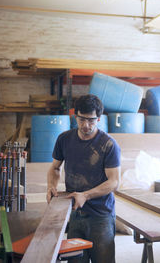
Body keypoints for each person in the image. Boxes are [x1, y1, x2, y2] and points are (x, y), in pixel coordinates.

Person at [46, 94, 121, 263]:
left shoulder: (108, 145)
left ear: (99, 119)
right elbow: (55, 168)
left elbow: (114, 181)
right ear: (75, 116)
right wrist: (51, 186)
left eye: (91, 120)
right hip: (74, 213)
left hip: (101, 216)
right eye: (81, 119)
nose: (86, 125)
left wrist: (85, 195)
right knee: (75, 260)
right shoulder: (64, 139)